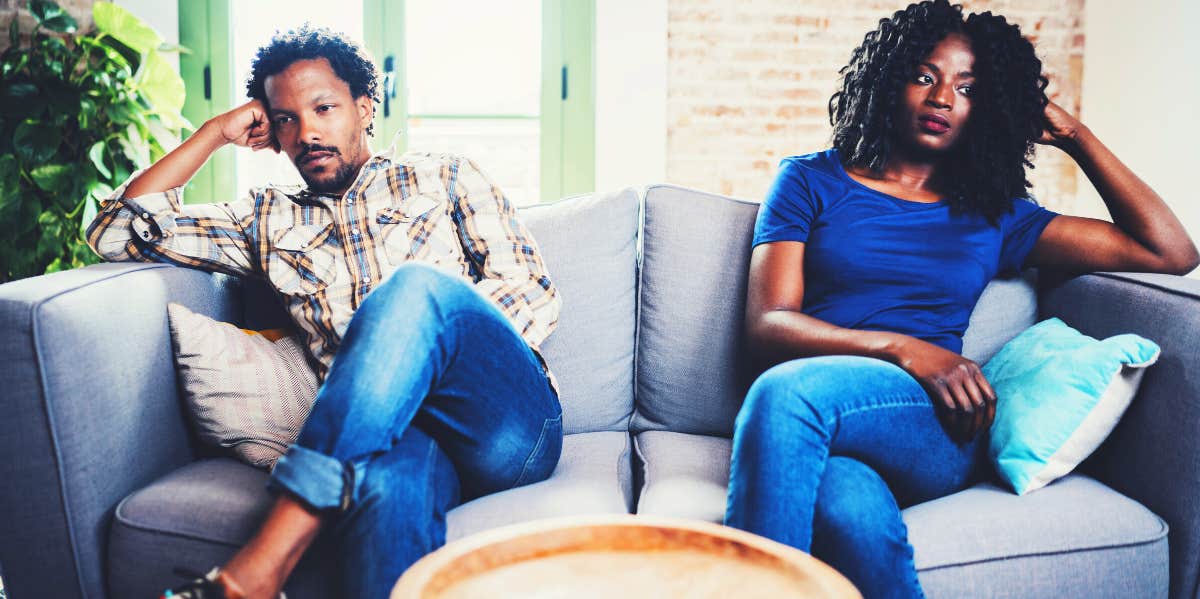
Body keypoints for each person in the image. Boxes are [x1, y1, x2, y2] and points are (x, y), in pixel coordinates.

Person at [722, 1, 1198, 597]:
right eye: (925, 76)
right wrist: (906, 349)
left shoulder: (995, 216)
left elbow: (1170, 252)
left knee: (784, 397)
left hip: (933, 425)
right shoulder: (811, 180)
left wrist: (1075, 135)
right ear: (888, 79)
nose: (942, 97)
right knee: (848, 506)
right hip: (827, 402)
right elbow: (768, 325)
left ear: (988, 108)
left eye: (967, 88)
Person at [85, 26, 563, 599]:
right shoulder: (263, 219)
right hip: (381, 441)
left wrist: (411, 357)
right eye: (285, 118)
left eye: (323, 108)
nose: (306, 131)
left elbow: (531, 288)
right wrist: (213, 134)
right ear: (270, 134)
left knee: (416, 292)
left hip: (502, 425)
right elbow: (116, 231)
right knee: (384, 489)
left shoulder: (444, 176)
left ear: (364, 108)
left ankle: (260, 566)